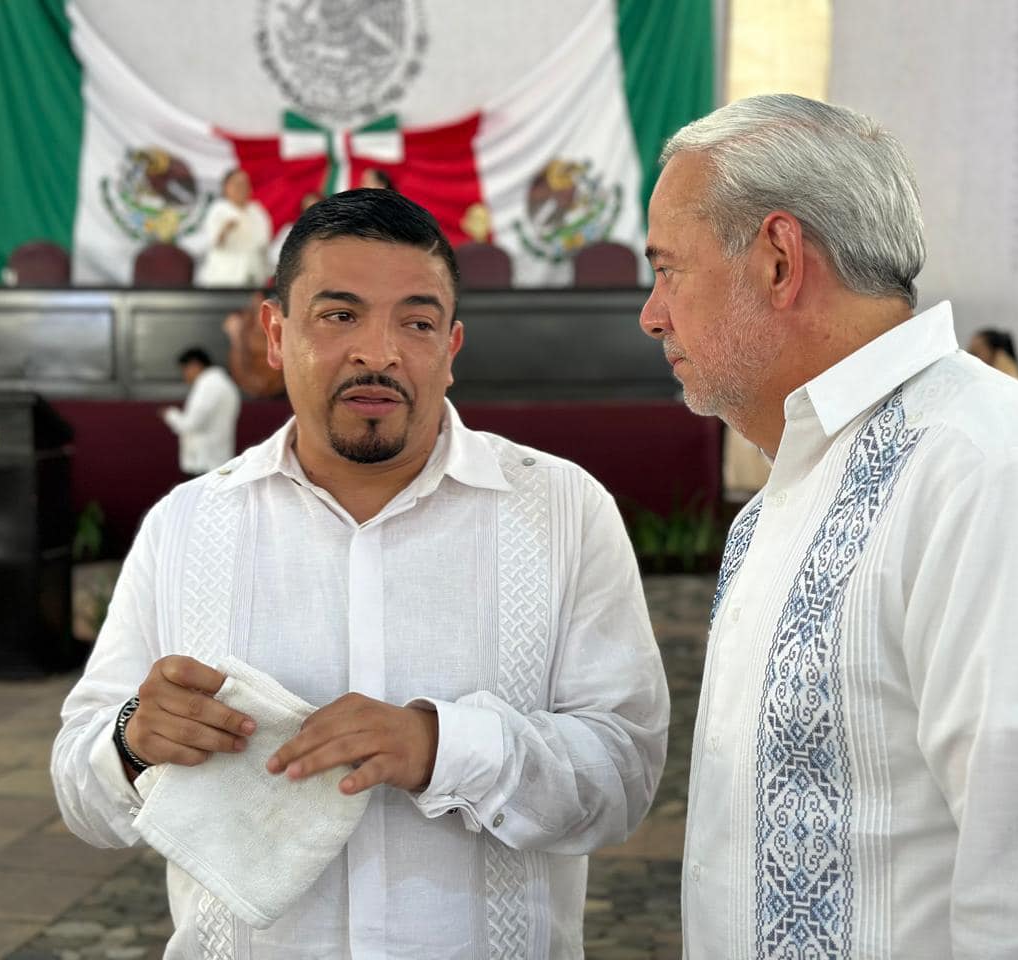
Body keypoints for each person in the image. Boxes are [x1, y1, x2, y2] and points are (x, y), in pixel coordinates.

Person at [52, 189, 669, 958]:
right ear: (276, 333)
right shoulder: (186, 526)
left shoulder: (563, 511)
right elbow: (80, 787)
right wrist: (132, 742)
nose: (378, 352)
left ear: (452, 345)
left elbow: (624, 776)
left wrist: (441, 747)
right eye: (339, 315)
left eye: (415, 322)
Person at [639, 93, 1018, 958]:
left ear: (778, 258)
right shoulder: (785, 491)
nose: (651, 314)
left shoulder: (996, 474)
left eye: (668, 269)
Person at [159, 346, 242, 477]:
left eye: (184, 369)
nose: (184, 375)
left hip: (204, 465)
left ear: (194, 365)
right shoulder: (223, 383)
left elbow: (191, 424)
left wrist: (170, 414)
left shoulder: (208, 385)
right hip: (217, 461)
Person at [198, 168, 272, 287]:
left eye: (244, 184)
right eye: (237, 184)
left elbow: (264, 242)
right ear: (226, 187)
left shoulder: (257, 211)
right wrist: (225, 230)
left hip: (253, 277)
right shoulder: (217, 209)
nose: (241, 188)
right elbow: (213, 241)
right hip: (223, 278)